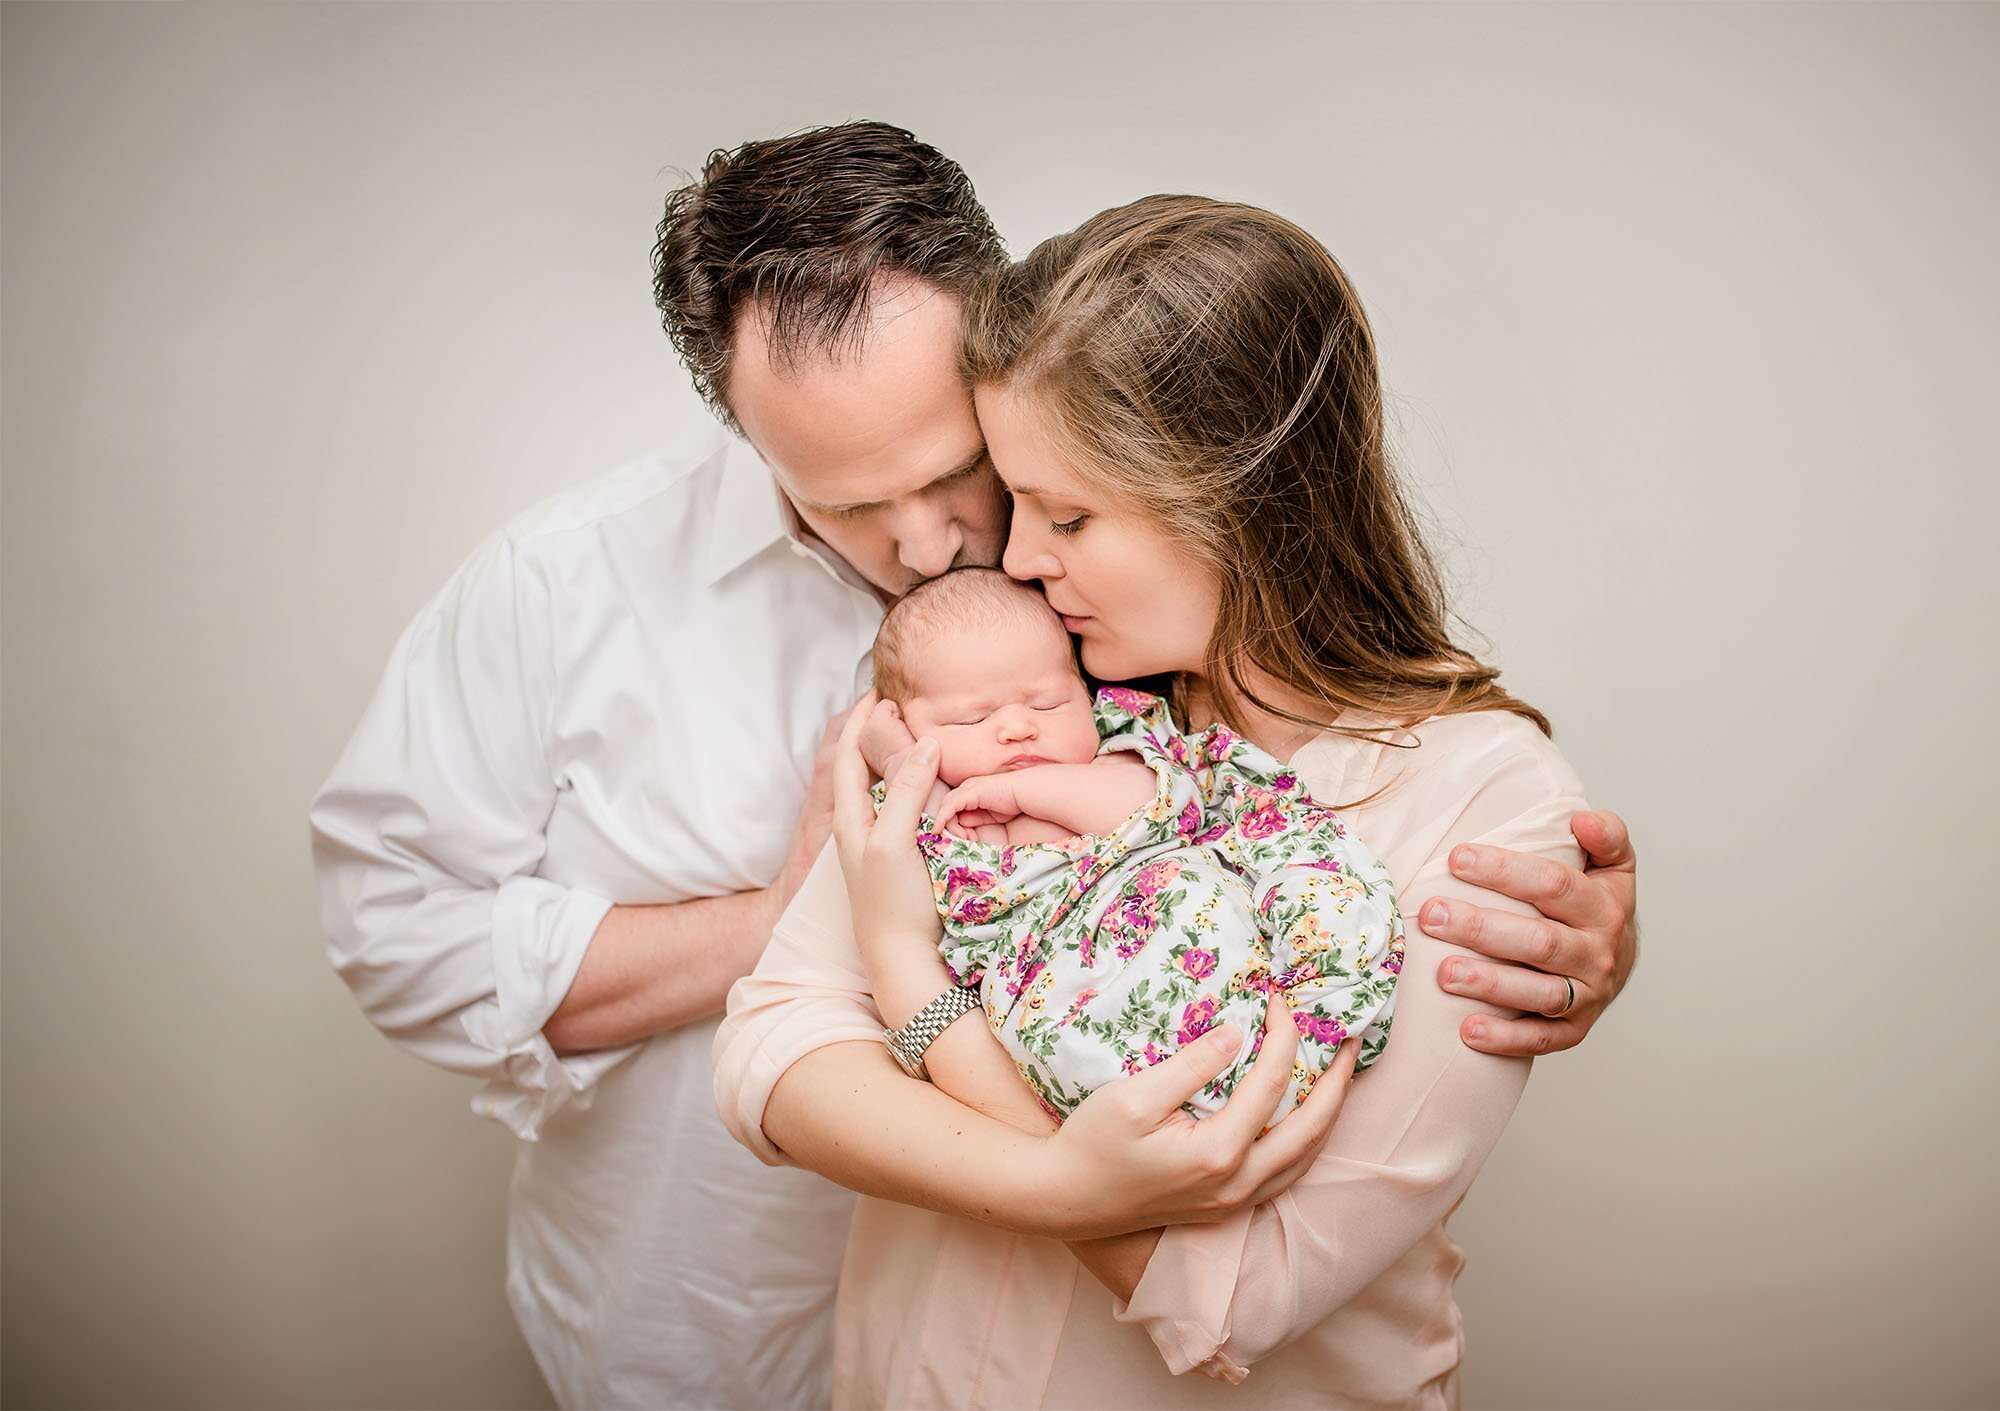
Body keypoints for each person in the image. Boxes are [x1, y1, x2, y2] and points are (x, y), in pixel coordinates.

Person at [311, 123, 1638, 1410]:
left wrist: (912, 992)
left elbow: (1234, 1283)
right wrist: (804, 948)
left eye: (980, 479)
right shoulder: (572, 587)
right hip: (724, 1322)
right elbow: (760, 1036)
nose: (955, 549)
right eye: (843, 501)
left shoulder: (1111, 665)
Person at [713, 192, 1608, 1407]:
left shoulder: (1475, 799)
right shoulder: (1024, 688)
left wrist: (903, 969)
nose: (1014, 556)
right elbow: (771, 1054)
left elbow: (1240, 1290)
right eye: (1014, 496)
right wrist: (1061, 1180)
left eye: (1067, 513)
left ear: (1243, 500)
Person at [865, 566, 1403, 1121]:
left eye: (1048, 702)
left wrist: (1018, 788)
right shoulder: (941, 818)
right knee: (1060, 1050)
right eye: (972, 718)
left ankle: (1296, 1036)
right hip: (1073, 1011)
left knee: (1305, 909)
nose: (1017, 727)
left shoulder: (1115, 756)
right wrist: (898, 760)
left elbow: (1150, 808)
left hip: (1199, 941)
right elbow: (914, 816)